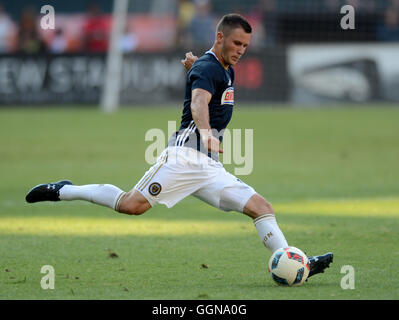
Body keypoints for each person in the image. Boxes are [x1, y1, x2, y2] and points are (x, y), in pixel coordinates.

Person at [25, 14, 332, 280]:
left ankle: (297, 264)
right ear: (220, 37)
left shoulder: (220, 67)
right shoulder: (209, 69)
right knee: (131, 205)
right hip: (183, 158)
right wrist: (206, 132)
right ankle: (64, 190)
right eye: (237, 43)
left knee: (262, 208)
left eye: (246, 46)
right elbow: (199, 102)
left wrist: (195, 67)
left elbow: (204, 79)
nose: (241, 50)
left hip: (209, 167)